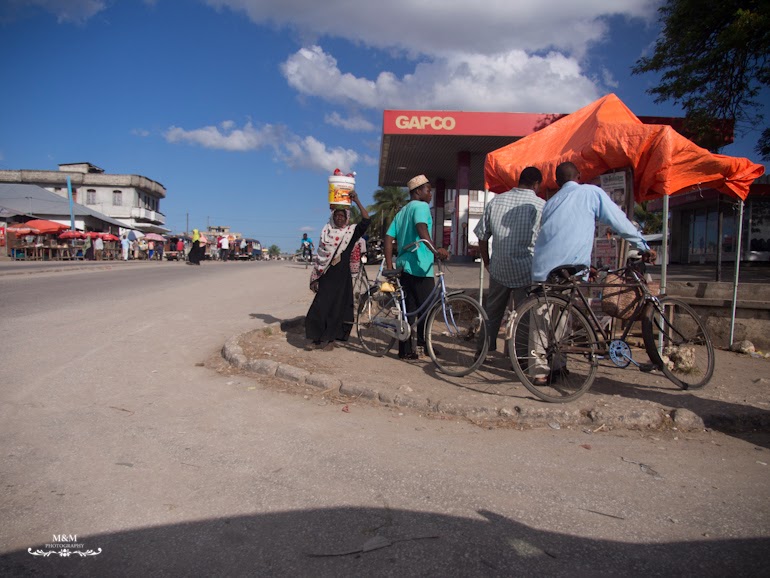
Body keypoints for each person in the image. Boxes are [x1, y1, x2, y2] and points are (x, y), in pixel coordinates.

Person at [529, 161, 655, 385]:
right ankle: (558, 366)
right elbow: (619, 222)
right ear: (579, 175)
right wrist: (643, 245)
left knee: (541, 318)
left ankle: (539, 371)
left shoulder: (550, 202)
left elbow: (556, 234)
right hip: (569, 268)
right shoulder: (591, 192)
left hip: (543, 267)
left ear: (557, 182)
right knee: (563, 318)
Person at [473, 166, 545, 353]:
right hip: (526, 270)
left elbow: (482, 236)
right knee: (523, 315)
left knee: (492, 312)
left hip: (499, 267)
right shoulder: (539, 206)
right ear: (536, 184)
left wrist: (487, 262)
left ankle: (482, 351)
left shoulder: (497, 201)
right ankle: (518, 358)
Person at [384, 174, 449, 360]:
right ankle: (425, 345)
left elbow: (388, 238)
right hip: (421, 266)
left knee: (408, 308)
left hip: (404, 266)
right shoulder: (421, 207)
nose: (430, 195)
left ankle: (405, 350)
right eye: (428, 190)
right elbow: (421, 228)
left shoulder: (402, 211)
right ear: (418, 191)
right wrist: (435, 250)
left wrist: (390, 266)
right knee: (427, 308)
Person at [305, 191, 370, 351]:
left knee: (336, 309)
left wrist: (357, 200)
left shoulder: (350, 233)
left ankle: (330, 339)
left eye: (342, 216)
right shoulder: (326, 233)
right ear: (333, 217)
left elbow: (366, 220)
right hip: (326, 276)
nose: (339, 218)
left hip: (342, 278)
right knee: (320, 306)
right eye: (337, 215)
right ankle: (316, 338)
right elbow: (320, 257)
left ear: (346, 217)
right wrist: (315, 278)